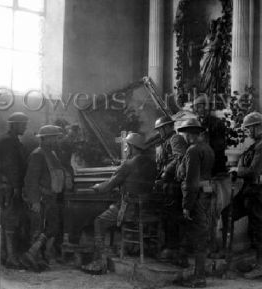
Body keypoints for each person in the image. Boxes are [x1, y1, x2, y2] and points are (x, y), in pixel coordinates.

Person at [82, 133, 157, 274]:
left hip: (129, 209)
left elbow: (108, 186)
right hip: (145, 209)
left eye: (127, 146)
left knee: (99, 221)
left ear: (131, 147)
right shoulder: (152, 164)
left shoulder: (128, 164)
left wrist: (97, 186)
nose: (126, 149)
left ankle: (99, 262)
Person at [221, 112, 262, 279]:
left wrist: (237, 170)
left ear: (258, 126)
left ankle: (260, 266)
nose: (248, 132)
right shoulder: (255, 145)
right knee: (227, 214)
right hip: (249, 192)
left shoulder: (261, 146)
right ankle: (227, 255)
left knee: (258, 229)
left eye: (250, 129)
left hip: (258, 193)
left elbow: (253, 171)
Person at [176, 118, 215, 288]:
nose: (184, 136)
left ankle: (199, 278)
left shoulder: (192, 150)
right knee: (202, 233)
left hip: (196, 196)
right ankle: (198, 275)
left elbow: (191, 181)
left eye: (185, 133)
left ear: (189, 134)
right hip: (206, 195)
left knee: (199, 236)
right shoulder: (208, 148)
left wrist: (186, 205)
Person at [21, 125, 65, 271]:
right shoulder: (38, 155)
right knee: (37, 229)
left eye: (56, 137)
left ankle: (35, 254)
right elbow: (30, 180)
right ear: (44, 138)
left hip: (51, 197)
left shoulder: (51, 153)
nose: (56, 139)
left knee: (53, 227)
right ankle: (33, 258)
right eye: (53, 137)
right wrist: (34, 201)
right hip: (40, 199)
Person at [0, 112, 29, 268]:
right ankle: (10, 258)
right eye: (23, 124)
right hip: (7, 188)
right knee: (9, 222)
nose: (25, 127)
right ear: (14, 125)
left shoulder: (11, 141)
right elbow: (11, 168)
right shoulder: (7, 142)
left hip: (5, 187)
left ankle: (5, 255)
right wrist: (16, 188)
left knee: (6, 221)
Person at [154, 115, 188, 264]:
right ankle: (170, 248)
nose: (160, 132)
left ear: (168, 127)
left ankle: (176, 251)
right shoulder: (165, 142)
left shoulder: (175, 139)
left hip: (174, 185)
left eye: (161, 129)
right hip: (167, 185)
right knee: (168, 217)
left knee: (173, 217)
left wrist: (165, 172)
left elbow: (179, 157)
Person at [200, 18, 224, 95]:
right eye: (210, 25)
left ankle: (210, 91)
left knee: (211, 72)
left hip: (213, 57)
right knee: (203, 71)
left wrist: (212, 48)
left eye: (213, 25)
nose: (211, 26)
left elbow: (218, 45)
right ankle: (204, 90)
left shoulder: (217, 35)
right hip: (206, 55)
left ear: (215, 26)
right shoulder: (207, 36)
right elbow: (203, 45)